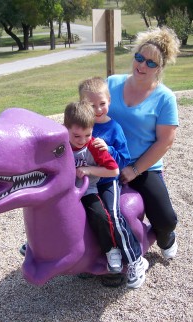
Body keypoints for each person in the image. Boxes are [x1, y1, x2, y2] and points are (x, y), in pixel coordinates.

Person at [107, 26, 180, 260]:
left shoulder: (165, 98)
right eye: (139, 57)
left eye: (151, 63)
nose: (142, 65)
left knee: (166, 219)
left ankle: (165, 236)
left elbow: (165, 141)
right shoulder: (111, 84)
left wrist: (135, 169)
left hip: (144, 166)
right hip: (107, 162)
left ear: (160, 68)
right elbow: (88, 116)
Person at [79, 77, 148, 289]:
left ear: (109, 100)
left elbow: (124, 158)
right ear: (83, 105)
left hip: (107, 182)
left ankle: (136, 259)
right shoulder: (81, 126)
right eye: (92, 105)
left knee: (113, 215)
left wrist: (108, 150)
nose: (98, 109)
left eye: (102, 103)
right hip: (86, 182)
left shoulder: (114, 128)